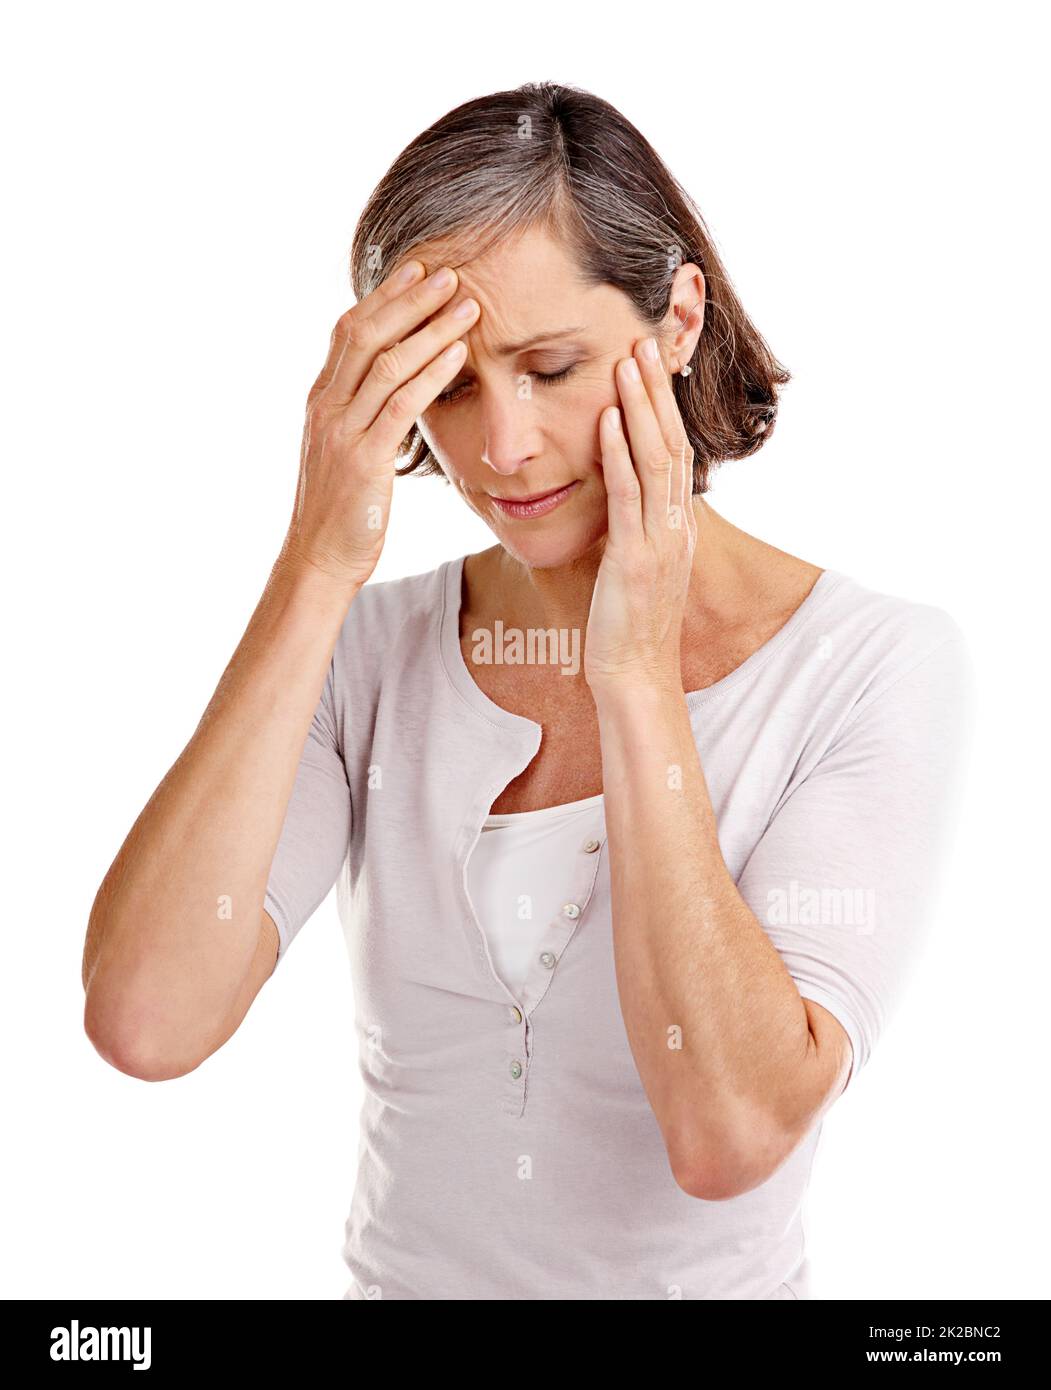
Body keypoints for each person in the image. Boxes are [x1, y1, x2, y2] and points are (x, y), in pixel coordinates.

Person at [82, 81, 974, 1300]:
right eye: (445, 386)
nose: (500, 446)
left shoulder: (869, 664)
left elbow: (728, 1136)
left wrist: (633, 678)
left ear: (676, 320)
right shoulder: (372, 650)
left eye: (551, 367)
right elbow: (147, 1021)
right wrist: (317, 562)